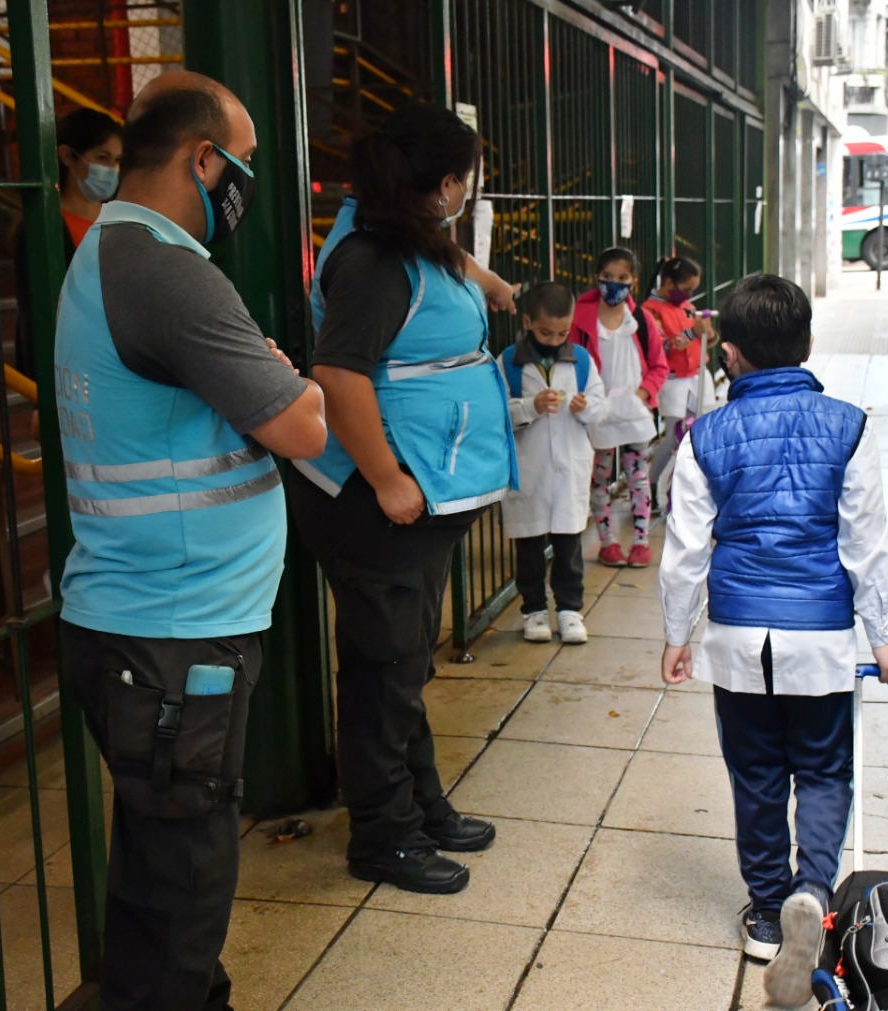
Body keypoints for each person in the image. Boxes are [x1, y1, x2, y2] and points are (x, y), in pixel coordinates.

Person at [54, 72, 326, 1011]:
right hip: (171, 631)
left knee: (160, 858)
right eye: (240, 162)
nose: (244, 184)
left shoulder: (111, 249)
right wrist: (290, 393)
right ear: (202, 159)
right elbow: (302, 424)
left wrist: (279, 390)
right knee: (187, 878)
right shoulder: (164, 266)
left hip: (148, 622)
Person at [658, 274, 888, 1008]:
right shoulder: (849, 424)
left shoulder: (703, 434)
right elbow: (866, 541)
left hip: (740, 635)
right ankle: (813, 890)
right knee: (825, 768)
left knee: (756, 774)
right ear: (805, 343)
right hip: (820, 637)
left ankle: (769, 913)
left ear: (731, 354)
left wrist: (677, 634)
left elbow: (685, 550)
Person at [288, 102, 519, 896]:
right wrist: (388, 478)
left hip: (415, 495)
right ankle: (382, 835)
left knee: (402, 663)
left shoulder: (406, 231)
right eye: (468, 181)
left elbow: (444, 257)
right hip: (371, 499)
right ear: (448, 183)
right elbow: (341, 376)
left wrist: (484, 279)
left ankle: (421, 804)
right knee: (383, 671)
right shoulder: (376, 261)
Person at [498, 282, 607, 645]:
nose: (554, 339)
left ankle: (570, 610)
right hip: (530, 470)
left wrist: (585, 407)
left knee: (568, 546)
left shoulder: (581, 360)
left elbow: (600, 405)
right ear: (528, 321)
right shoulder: (509, 362)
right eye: (546, 332)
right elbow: (497, 413)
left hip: (569, 467)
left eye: (562, 332)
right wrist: (531, 406)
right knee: (528, 548)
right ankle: (533, 611)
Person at [570, 246, 668, 567]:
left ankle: (640, 542)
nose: (614, 284)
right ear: (596, 277)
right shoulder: (581, 320)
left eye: (622, 278)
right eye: (607, 277)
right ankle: (607, 542)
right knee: (599, 478)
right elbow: (571, 361)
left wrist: (642, 395)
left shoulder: (641, 320)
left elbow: (659, 366)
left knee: (637, 476)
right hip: (597, 411)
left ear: (634, 281)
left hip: (633, 411)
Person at [14, 107, 123, 378]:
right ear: (67, 156)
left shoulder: (122, 220)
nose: (112, 169)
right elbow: (37, 317)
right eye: (102, 157)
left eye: (117, 160)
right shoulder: (42, 229)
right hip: (73, 370)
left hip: (119, 367)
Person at [642, 254, 716, 507]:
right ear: (669, 282)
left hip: (697, 375)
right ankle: (651, 483)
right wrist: (691, 332)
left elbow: (701, 339)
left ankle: (683, 487)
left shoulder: (687, 306)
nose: (689, 294)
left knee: (700, 433)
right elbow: (660, 347)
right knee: (674, 435)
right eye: (686, 289)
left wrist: (708, 333)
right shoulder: (650, 312)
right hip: (673, 380)